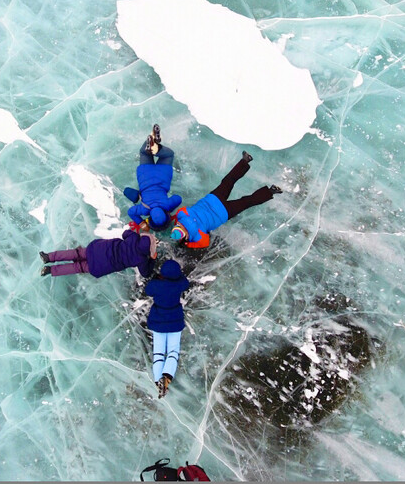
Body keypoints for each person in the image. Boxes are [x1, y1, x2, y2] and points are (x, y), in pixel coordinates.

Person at [170, 151, 282, 249]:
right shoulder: (182, 214)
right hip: (214, 199)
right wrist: (174, 220)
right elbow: (179, 213)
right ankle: (245, 160)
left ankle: (271, 191)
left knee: (247, 202)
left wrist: (188, 244)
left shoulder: (198, 235)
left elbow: (204, 243)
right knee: (229, 181)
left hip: (223, 213)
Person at [123, 124, 182, 232]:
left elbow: (178, 198)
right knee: (144, 152)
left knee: (168, 155)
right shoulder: (144, 210)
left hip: (163, 175)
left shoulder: (167, 205)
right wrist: (140, 223)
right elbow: (130, 212)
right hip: (146, 174)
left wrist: (168, 209)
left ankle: (157, 148)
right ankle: (151, 143)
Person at [144, 259, 190, 398]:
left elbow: (148, 289)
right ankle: (167, 377)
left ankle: (159, 381)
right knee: (173, 352)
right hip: (175, 322)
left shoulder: (156, 285)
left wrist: (156, 278)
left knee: (158, 353)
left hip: (158, 322)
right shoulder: (179, 284)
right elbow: (185, 282)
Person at [40, 230, 157, 278]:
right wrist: (152, 259)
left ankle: (49, 257)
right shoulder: (141, 259)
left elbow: (125, 233)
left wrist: (137, 234)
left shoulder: (133, 238)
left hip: (97, 250)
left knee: (75, 253)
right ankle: (50, 270)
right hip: (102, 265)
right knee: (77, 267)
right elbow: (145, 273)